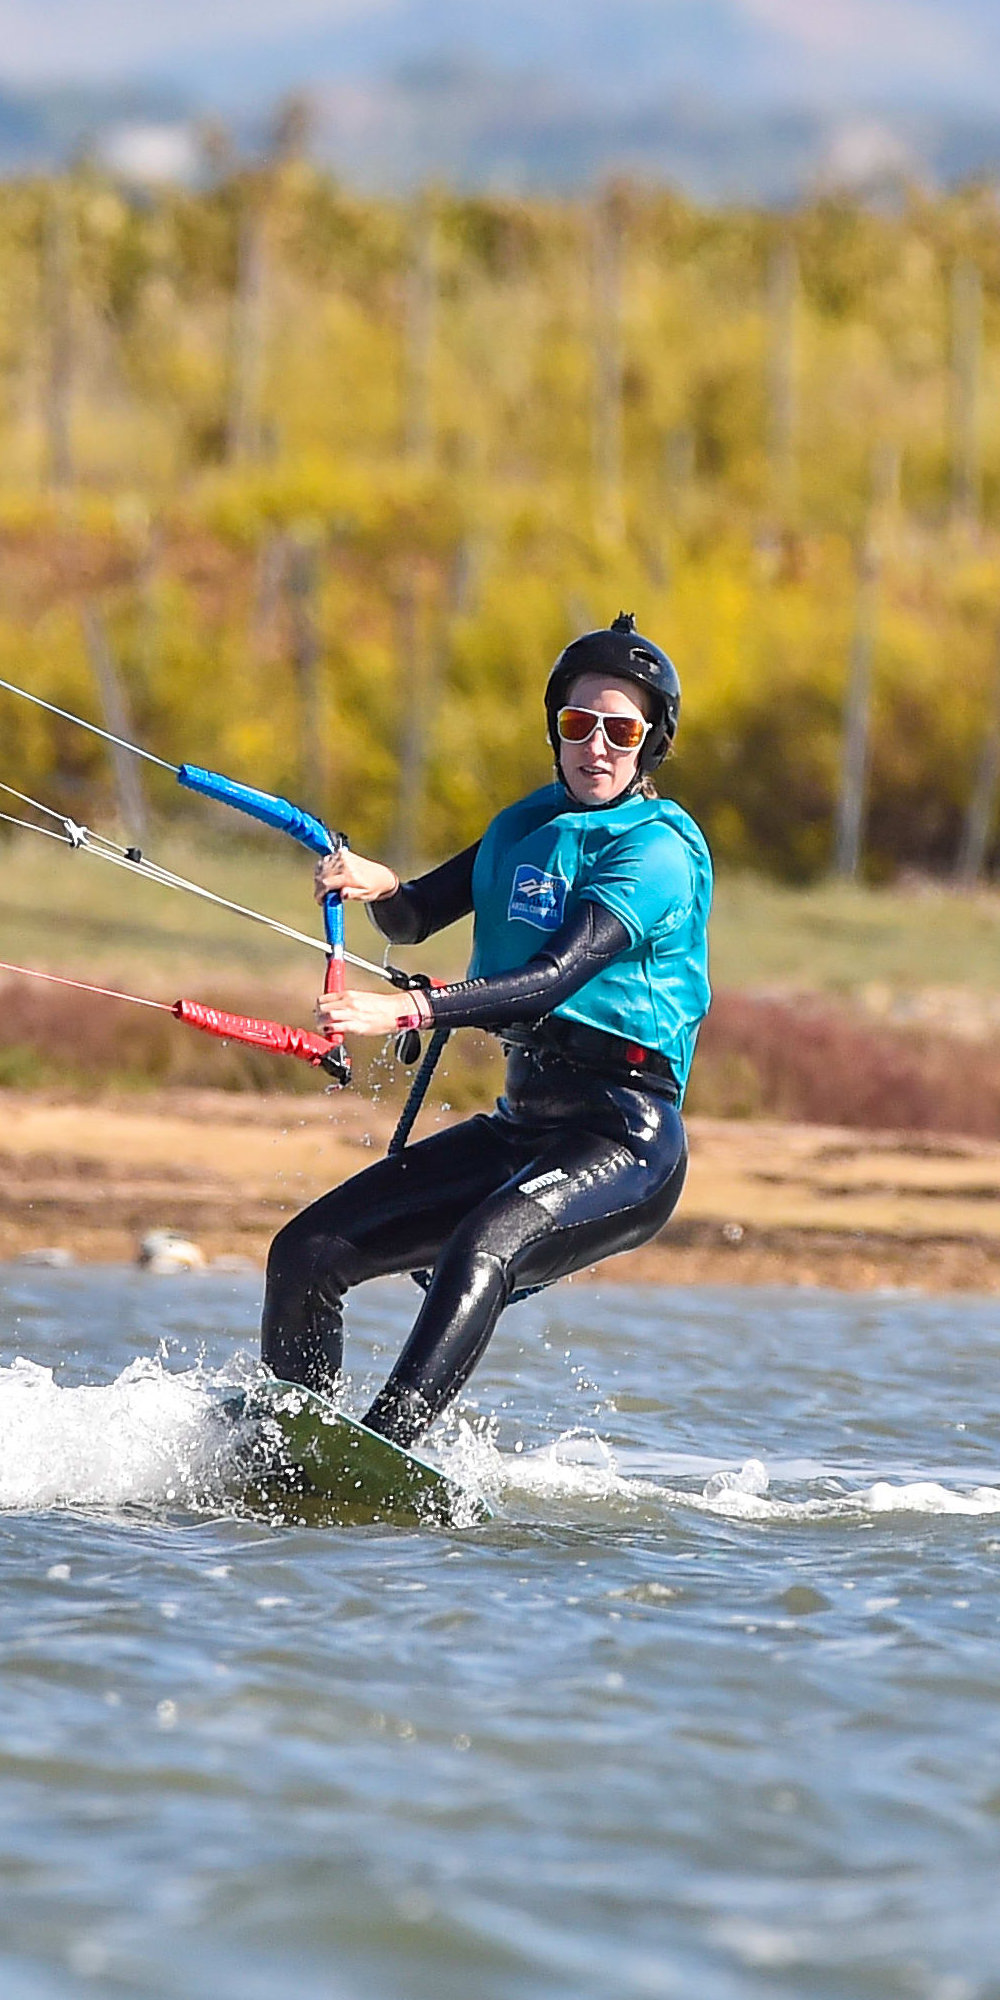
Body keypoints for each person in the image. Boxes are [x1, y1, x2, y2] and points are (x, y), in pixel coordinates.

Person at [263, 616, 716, 1441]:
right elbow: (416, 918)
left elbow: (554, 977)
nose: (598, 747)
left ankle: (384, 1448)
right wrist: (380, 884)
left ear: (650, 744)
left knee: (480, 1250)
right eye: (580, 725)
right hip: (522, 1129)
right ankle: (293, 1444)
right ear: (556, 729)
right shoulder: (527, 827)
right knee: (305, 1254)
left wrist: (409, 1008)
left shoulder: (655, 855)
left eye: (622, 731)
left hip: (624, 1139)